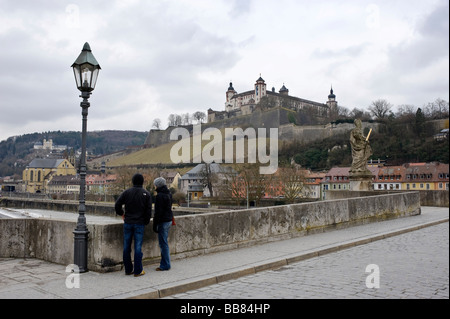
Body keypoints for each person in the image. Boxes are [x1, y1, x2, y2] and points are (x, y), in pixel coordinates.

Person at [115, 173, 152, 277]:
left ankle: (128, 269)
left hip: (128, 222)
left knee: (126, 247)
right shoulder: (146, 194)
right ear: (142, 182)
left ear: (132, 181)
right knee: (138, 247)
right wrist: (146, 221)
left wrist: (122, 214)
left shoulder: (126, 192)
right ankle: (138, 270)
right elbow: (148, 211)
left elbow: (117, 205)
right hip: (139, 223)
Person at [153, 177, 173, 271]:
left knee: (163, 244)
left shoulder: (160, 196)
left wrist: (154, 224)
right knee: (165, 243)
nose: (154, 186)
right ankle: (166, 263)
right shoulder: (169, 194)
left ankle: (165, 265)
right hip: (169, 220)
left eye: (155, 184)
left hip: (163, 221)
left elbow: (158, 212)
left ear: (158, 185)